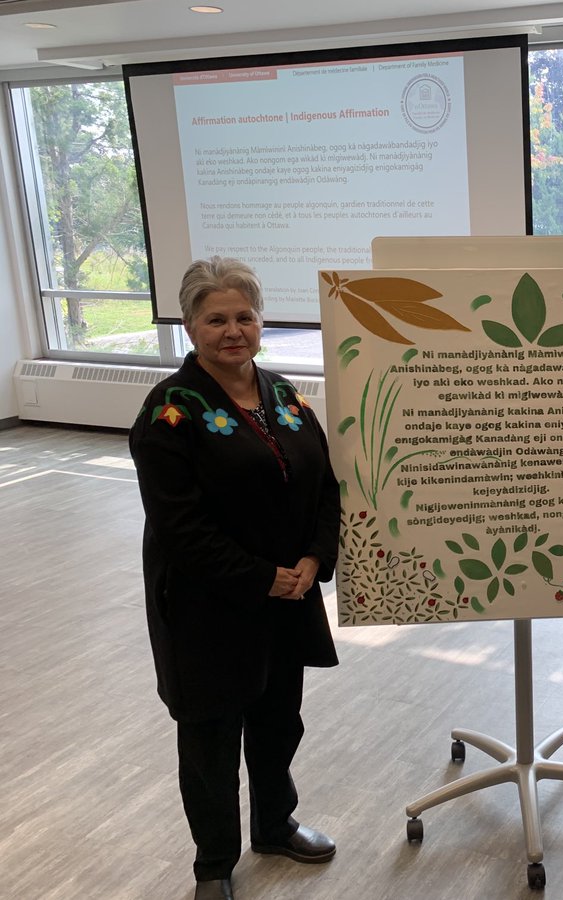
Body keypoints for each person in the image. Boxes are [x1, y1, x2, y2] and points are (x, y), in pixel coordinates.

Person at [129, 257, 341, 900]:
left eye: (244, 316)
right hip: (207, 607)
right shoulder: (170, 412)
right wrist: (260, 578)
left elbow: (324, 486)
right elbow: (179, 527)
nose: (232, 330)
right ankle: (213, 865)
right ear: (190, 326)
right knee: (212, 736)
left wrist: (312, 558)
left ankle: (275, 825)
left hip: (288, 597)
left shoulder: (285, 395)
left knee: (280, 721)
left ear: (260, 320)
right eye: (215, 318)